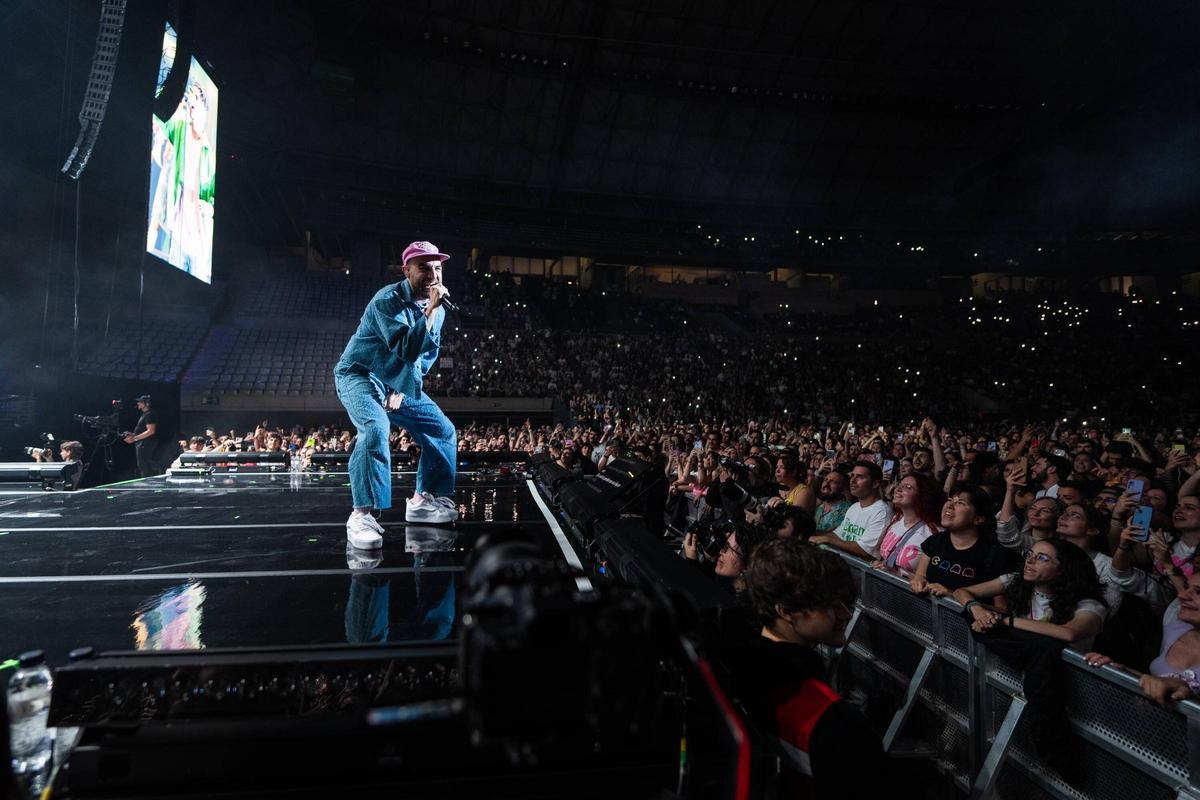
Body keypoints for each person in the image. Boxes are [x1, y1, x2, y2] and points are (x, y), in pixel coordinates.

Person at [723, 538, 887, 798]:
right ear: (787, 612)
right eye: (831, 605)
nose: (846, 614)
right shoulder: (834, 720)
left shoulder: (731, 666)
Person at [334, 241, 459, 550]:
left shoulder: (436, 309)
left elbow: (424, 357)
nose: (433, 274)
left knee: (442, 430)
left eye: (438, 268)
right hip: (360, 374)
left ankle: (422, 500)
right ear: (406, 271)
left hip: (397, 380)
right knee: (376, 427)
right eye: (424, 267)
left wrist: (400, 387)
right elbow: (405, 347)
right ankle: (361, 514)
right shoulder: (386, 301)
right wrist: (430, 310)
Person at [953, 538, 1107, 652]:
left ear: (1063, 569)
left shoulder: (1090, 604)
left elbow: (1069, 633)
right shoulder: (1016, 580)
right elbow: (961, 592)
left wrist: (1003, 620)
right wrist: (978, 611)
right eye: (1029, 554)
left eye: (1042, 558)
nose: (1030, 561)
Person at [910, 484, 1017, 596]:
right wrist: (918, 582)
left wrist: (951, 594)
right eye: (950, 500)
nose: (950, 505)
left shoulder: (993, 554)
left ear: (978, 519)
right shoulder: (934, 541)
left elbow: (1000, 608)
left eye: (960, 502)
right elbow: (920, 576)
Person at [810, 462, 891, 559]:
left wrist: (827, 539)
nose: (852, 480)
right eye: (852, 475)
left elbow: (863, 550)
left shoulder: (882, 511)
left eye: (860, 477)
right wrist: (809, 533)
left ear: (875, 483)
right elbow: (838, 535)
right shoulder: (854, 507)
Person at [873, 472, 943, 575]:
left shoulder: (934, 532)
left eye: (908, 487)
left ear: (922, 495)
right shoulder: (896, 520)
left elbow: (935, 579)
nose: (898, 489)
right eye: (899, 485)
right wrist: (883, 564)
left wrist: (896, 574)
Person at [124, 395, 159, 477]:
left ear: (146, 403)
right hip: (143, 442)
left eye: (140, 402)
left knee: (144, 464)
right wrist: (133, 434)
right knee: (142, 464)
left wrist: (134, 438)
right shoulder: (145, 414)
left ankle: (148, 484)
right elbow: (145, 430)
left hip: (146, 443)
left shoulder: (149, 414)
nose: (138, 403)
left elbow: (151, 431)